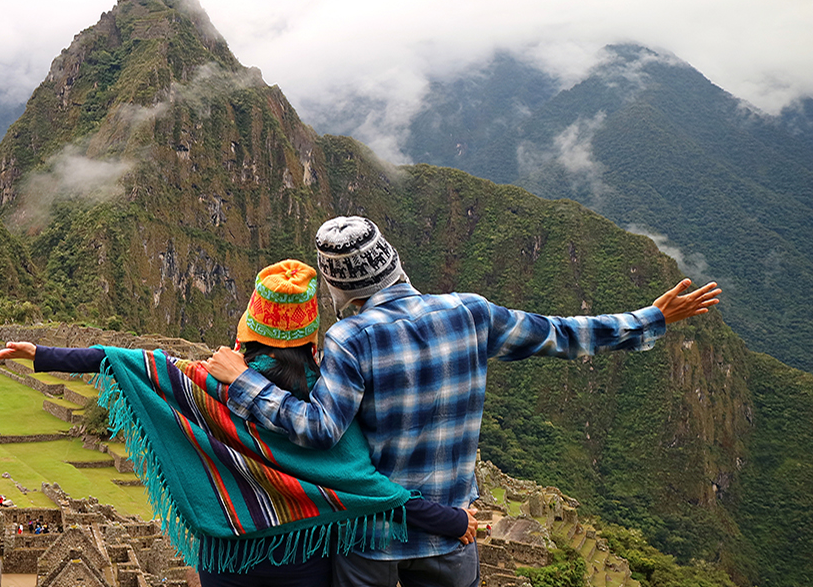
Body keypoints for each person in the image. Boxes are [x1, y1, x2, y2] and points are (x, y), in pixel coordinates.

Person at [202, 216, 721, 587]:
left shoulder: (351, 339)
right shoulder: (470, 313)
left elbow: (317, 430)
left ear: (337, 289)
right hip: (451, 528)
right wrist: (649, 319)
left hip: (373, 538)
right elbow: (562, 334)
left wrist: (243, 380)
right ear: (394, 264)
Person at [0, 260, 474, 587]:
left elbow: (134, 362)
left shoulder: (206, 386)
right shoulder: (327, 402)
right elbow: (367, 487)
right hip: (303, 560)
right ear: (311, 341)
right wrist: (451, 520)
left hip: (225, 561)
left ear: (247, 333)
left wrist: (42, 352)